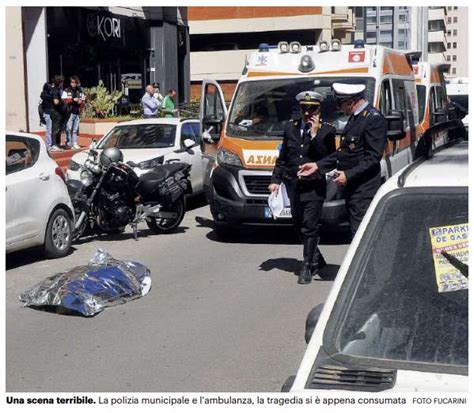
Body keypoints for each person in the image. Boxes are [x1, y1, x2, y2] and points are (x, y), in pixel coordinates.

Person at [298, 83, 387, 239]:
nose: (339, 108)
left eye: (340, 103)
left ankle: (363, 264)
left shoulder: (373, 119)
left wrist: (348, 174)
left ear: (351, 102)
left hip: (363, 189)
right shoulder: (356, 118)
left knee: (361, 234)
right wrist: (317, 165)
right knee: (357, 232)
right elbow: (344, 153)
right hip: (353, 188)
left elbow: (373, 157)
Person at [269, 91, 336, 285]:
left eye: (312, 109)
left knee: (310, 225)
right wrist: (276, 180)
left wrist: (314, 135)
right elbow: (283, 159)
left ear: (318, 110)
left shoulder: (327, 131)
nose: (308, 113)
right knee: (298, 225)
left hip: (314, 186)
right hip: (294, 185)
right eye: (304, 109)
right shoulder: (290, 128)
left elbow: (329, 159)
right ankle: (317, 257)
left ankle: (307, 265)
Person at [61, 75, 85, 149]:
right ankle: (69, 142)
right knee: (68, 128)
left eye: (74, 82)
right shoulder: (67, 90)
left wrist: (81, 102)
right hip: (69, 112)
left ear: (77, 83)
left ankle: (74, 143)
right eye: (71, 82)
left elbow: (83, 100)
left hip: (77, 112)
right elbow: (63, 100)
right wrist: (72, 100)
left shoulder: (80, 90)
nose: (73, 84)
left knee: (75, 129)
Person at [49, 75, 65, 151]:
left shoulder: (55, 89)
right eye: (62, 82)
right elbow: (56, 101)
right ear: (59, 82)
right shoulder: (56, 90)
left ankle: (56, 144)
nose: (62, 83)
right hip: (55, 112)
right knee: (55, 128)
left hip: (55, 112)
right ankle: (54, 144)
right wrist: (62, 102)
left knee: (57, 128)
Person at [39, 79, 54, 150]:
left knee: (50, 130)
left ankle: (50, 144)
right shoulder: (46, 95)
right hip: (47, 114)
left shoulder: (45, 94)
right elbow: (52, 98)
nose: (51, 87)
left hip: (49, 114)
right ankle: (48, 145)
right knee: (49, 130)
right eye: (50, 86)